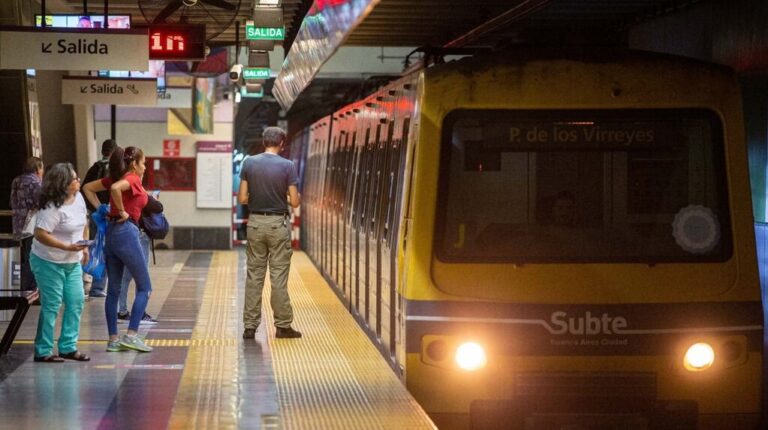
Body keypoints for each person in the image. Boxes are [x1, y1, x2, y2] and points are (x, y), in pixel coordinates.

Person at [82, 146, 154, 353]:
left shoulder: (114, 177)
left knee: (113, 289)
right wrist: (121, 211)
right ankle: (131, 335)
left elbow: (87, 188)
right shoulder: (131, 178)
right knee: (145, 287)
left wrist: (101, 209)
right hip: (127, 233)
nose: (145, 167)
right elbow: (115, 190)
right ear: (134, 164)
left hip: (112, 234)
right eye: (144, 163)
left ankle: (113, 339)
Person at [238, 126, 302, 339]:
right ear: (282, 144)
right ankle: (282, 326)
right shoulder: (288, 166)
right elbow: (294, 201)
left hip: (255, 223)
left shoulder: (249, 163)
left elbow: (242, 198)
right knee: (278, 278)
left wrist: (257, 197)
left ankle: (249, 327)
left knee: (254, 276)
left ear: (263, 142)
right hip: (277, 225)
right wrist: (282, 198)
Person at [30, 163, 90, 362]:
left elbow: (84, 222)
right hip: (48, 261)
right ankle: (43, 350)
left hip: (72, 261)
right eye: (74, 179)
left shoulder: (79, 198)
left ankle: (68, 347)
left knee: (76, 301)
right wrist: (66, 247)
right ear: (63, 183)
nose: (78, 181)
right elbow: (40, 234)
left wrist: (85, 247)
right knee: (52, 304)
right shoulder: (52, 207)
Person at [117, 194, 162, 325]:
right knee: (142, 276)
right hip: (139, 234)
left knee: (126, 276)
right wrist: (152, 197)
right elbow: (158, 207)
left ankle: (122, 311)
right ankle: (140, 313)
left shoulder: (121, 193)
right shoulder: (139, 192)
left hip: (125, 233)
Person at [82, 139, 116, 298]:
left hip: (95, 214)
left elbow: (84, 189)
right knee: (104, 251)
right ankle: (97, 288)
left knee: (92, 248)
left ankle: (84, 282)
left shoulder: (95, 167)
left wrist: (95, 207)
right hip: (108, 215)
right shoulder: (115, 170)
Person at [10, 157, 43, 292]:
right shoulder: (36, 182)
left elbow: (12, 201)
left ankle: (20, 284)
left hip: (18, 222)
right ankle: (29, 284)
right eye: (42, 168)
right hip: (32, 222)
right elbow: (41, 202)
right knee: (33, 253)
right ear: (37, 168)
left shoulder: (16, 180)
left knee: (23, 253)